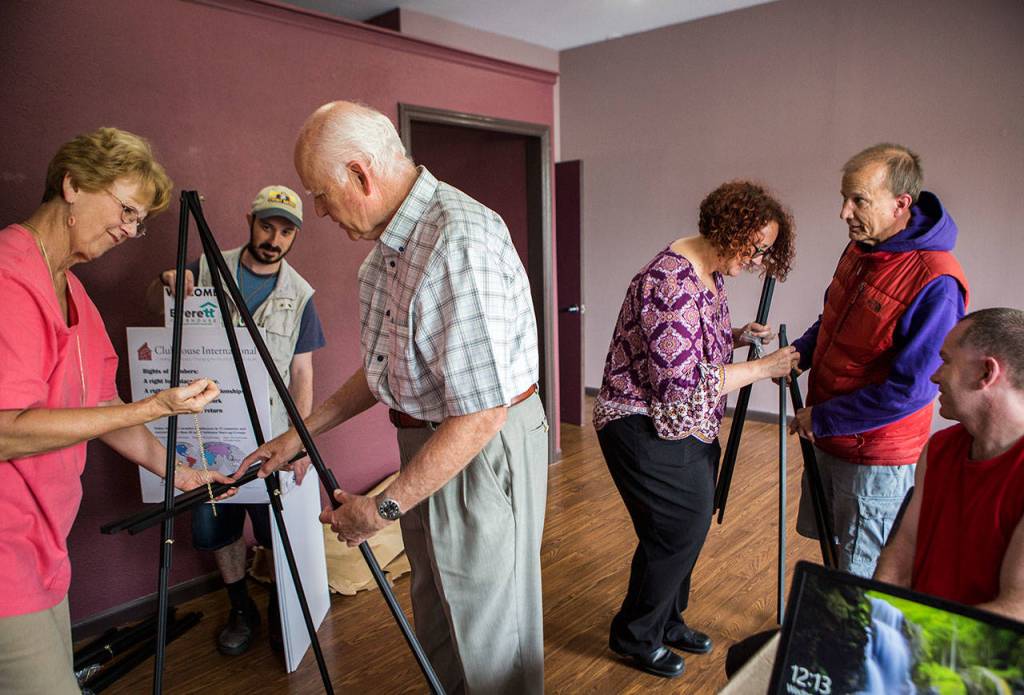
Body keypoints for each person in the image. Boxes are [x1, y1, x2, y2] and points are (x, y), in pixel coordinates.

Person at [239, 101, 549, 694]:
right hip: (433, 441)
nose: (320, 209)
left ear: (360, 173)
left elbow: (481, 412)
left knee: (488, 632)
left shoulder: (457, 239)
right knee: (440, 618)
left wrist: (381, 508)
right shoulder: (390, 248)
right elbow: (383, 372)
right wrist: (297, 434)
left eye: (322, 193)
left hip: (479, 445)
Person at [0, 127, 232, 695]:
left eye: (140, 219)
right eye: (126, 209)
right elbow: (5, 431)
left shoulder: (73, 291)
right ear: (73, 185)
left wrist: (182, 474)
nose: (131, 229)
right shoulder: (10, 278)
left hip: (42, 544)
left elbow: (103, 405)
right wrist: (152, 406)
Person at [594, 181, 799, 679]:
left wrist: (734, 337)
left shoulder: (708, 275)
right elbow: (679, 386)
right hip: (640, 421)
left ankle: (666, 620)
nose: (756, 262)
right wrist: (762, 367)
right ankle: (635, 635)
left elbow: (689, 345)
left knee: (685, 524)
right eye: (755, 249)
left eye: (766, 252)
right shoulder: (670, 281)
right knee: (677, 530)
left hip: (687, 424)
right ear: (729, 231)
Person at [146, 185, 326, 655]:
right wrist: (164, 284)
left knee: (275, 530)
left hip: (270, 436)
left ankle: (280, 608)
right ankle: (240, 605)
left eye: (286, 231)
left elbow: (302, 372)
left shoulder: (300, 294)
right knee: (217, 527)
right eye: (267, 225)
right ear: (250, 219)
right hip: (209, 433)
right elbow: (153, 311)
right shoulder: (205, 268)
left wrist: (300, 440)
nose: (275, 238)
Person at [790, 143, 969, 578]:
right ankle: (827, 628)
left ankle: (854, 646)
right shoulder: (862, 249)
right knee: (836, 556)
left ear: (900, 204)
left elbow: (915, 387)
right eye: (844, 198)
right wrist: (798, 354)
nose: (844, 212)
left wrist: (826, 418)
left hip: (875, 455)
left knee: (864, 571)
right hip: (831, 436)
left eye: (858, 201)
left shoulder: (936, 281)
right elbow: (833, 319)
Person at [874, 309, 1024, 621]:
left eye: (947, 360)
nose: (934, 375)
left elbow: (1015, 610)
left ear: (986, 373)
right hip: (914, 636)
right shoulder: (941, 448)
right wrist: (876, 617)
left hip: (975, 658)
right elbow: (903, 548)